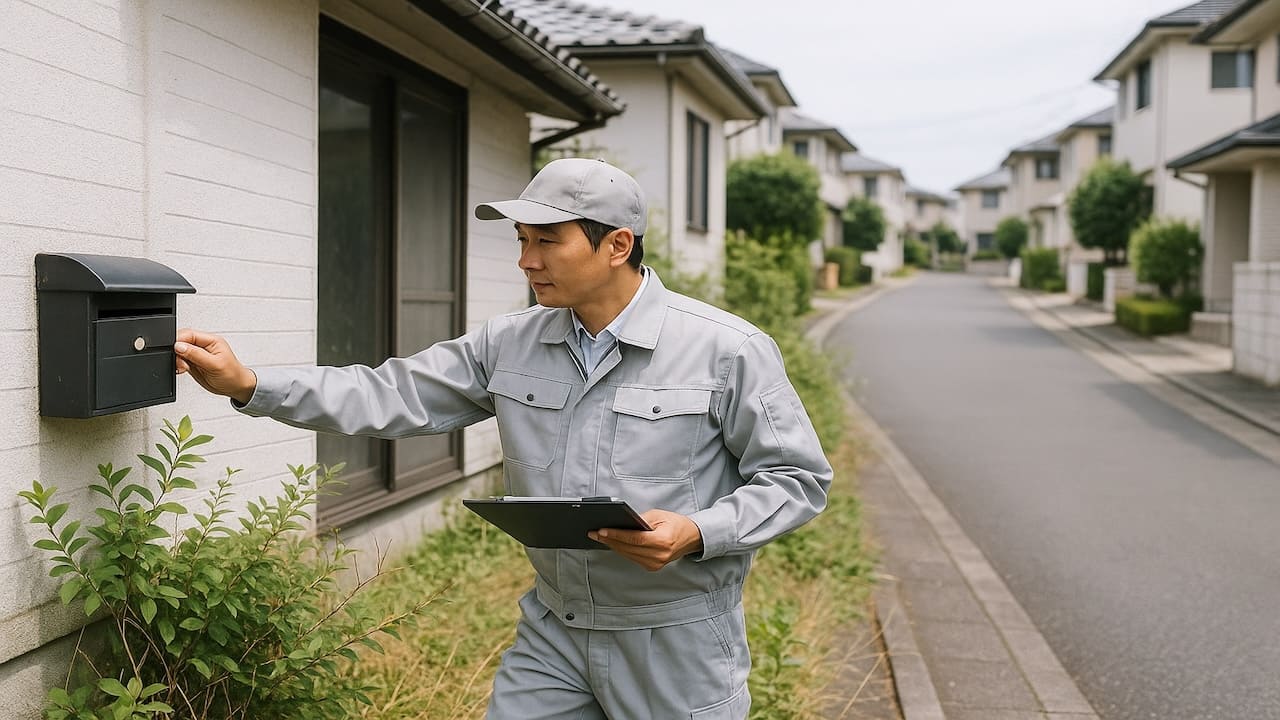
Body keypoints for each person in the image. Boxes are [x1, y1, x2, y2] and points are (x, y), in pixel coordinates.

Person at [174, 157, 831, 720]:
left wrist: (695, 531)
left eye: (547, 242)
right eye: (521, 240)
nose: (527, 261)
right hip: (555, 630)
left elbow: (797, 480)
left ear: (618, 245)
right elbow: (387, 393)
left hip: (677, 640)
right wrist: (248, 382)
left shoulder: (726, 349)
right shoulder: (508, 343)